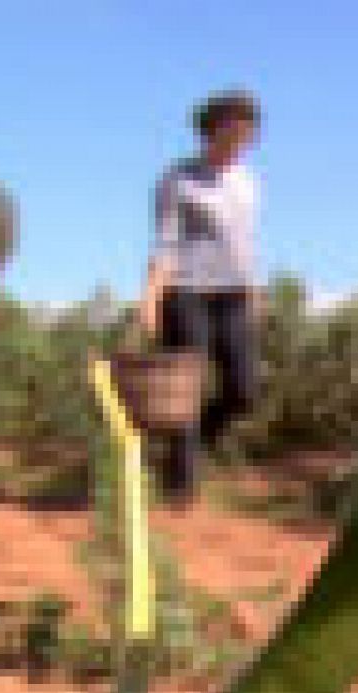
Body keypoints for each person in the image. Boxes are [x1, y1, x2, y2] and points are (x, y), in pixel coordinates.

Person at [141, 90, 264, 506]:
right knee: (186, 388)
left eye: (249, 133)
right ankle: (180, 490)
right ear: (210, 132)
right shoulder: (178, 179)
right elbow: (166, 241)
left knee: (243, 389)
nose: (242, 141)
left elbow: (247, 244)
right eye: (235, 132)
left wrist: (253, 292)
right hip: (186, 290)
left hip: (233, 293)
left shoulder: (248, 181)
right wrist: (151, 299)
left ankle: (193, 450)